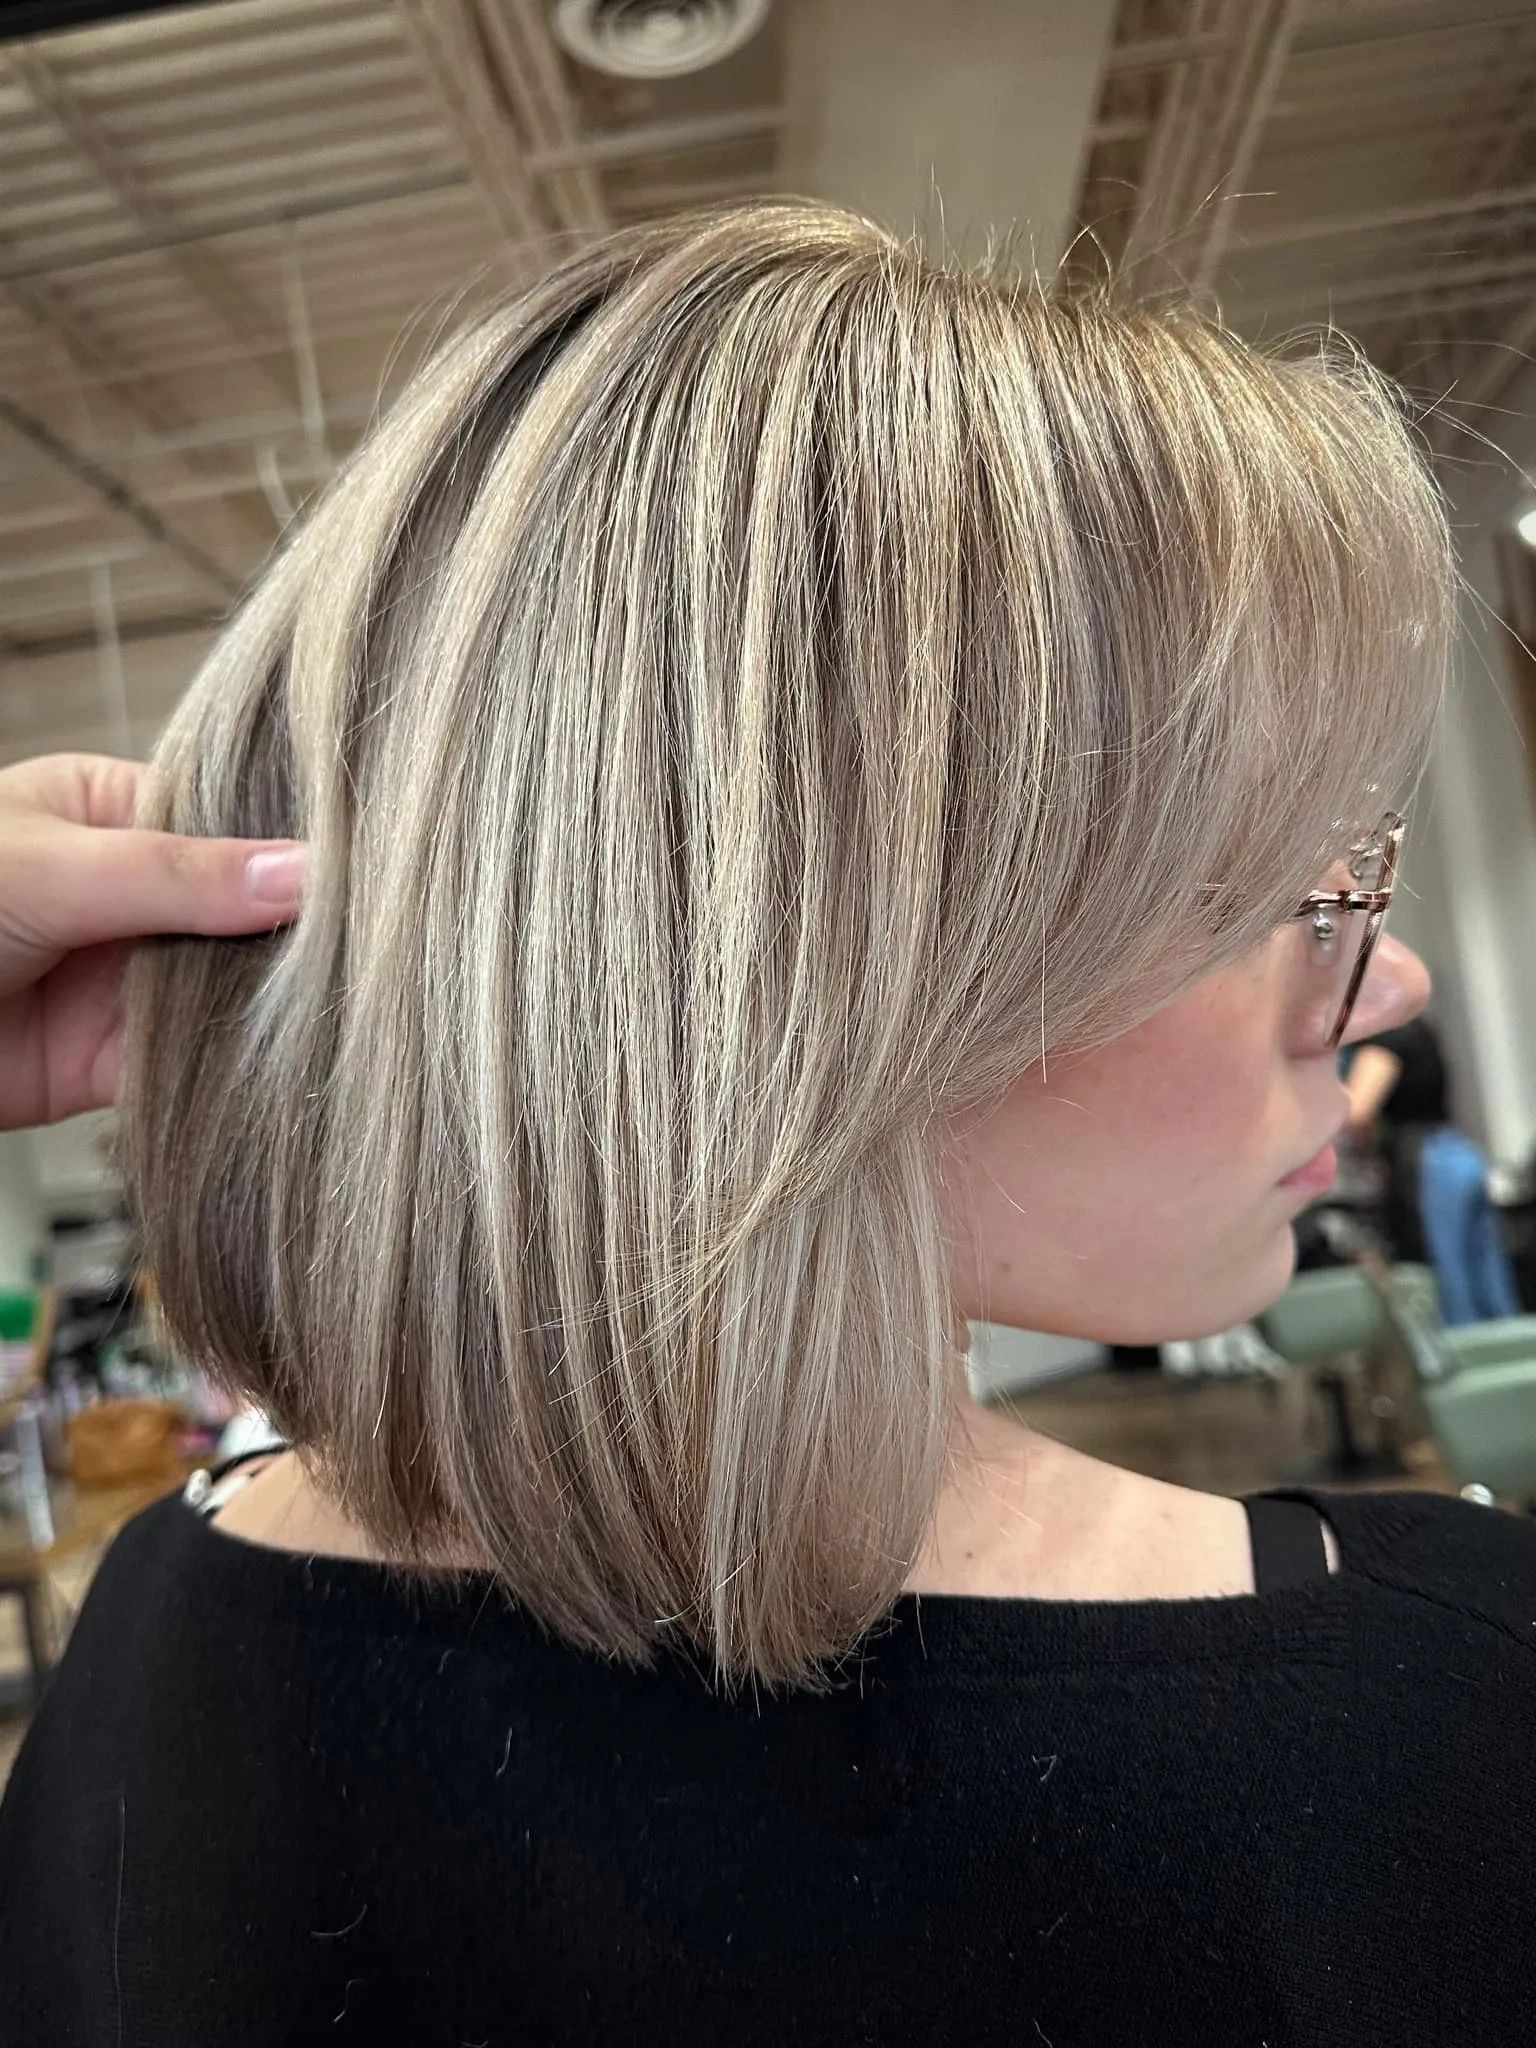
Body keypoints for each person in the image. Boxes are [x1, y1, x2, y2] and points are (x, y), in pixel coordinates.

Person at [2, 202, 1534, 2047]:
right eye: (1305, 883)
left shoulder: (156, 1627)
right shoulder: (1445, 1729)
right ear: (840, 988)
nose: (1382, 985)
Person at [1346, 1016, 1522, 1322]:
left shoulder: (1386, 1035)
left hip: (1427, 1166)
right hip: (1458, 1153)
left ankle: (1469, 1364)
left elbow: (1356, 1109)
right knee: (1487, 1279)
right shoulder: (1417, 1028)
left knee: (1445, 1282)